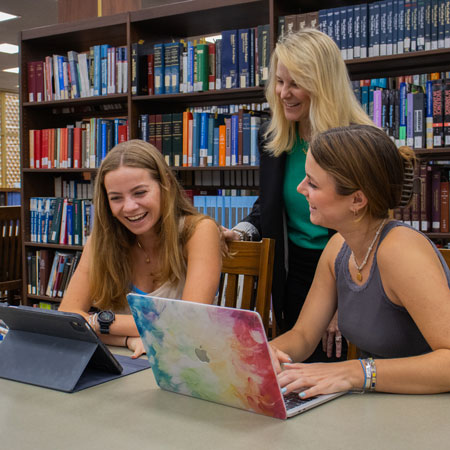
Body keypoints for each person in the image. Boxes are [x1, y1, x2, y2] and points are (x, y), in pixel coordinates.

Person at [223, 29, 374, 361]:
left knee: (332, 373)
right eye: (279, 82)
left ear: (323, 84)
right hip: (291, 274)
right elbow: (269, 207)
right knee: (294, 367)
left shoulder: (359, 141)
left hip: (349, 273)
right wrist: (241, 231)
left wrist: (342, 299)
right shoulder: (273, 137)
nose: (283, 93)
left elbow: (373, 225)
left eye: (295, 84)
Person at [270, 124, 450, 397]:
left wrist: (356, 371)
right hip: (383, 406)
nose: (299, 188)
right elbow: (304, 336)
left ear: (357, 200)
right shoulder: (337, 247)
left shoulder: (401, 251)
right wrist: (262, 352)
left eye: (313, 183)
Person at [59, 139, 223, 358]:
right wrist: (128, 339)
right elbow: (67, 318)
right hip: (126, 361)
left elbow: (187, 324)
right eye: (116, 198)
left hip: (186, 361)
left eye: (139, 193)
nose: (129, 207)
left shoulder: (199, 231)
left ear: (165, 184)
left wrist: (98, 321)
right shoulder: (101, 240)